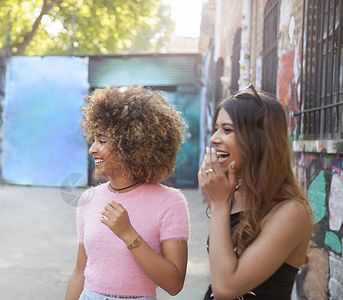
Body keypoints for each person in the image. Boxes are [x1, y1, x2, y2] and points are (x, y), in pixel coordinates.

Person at [65, 86, 190, 300]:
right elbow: (80, 271)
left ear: (132, 145)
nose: (92, 149)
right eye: (94, 139)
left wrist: (128, 234)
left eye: (102, 141)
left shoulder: (170, 202)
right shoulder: (89, 199)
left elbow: (174, 284)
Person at [198, 85, 313, 300]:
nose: (214, 138)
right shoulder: (236, 192)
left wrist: (220, 204)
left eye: (227, 129)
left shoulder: (291, 211)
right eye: (216, 128)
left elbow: (226, 289)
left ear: (258, 140)